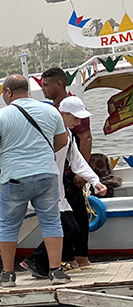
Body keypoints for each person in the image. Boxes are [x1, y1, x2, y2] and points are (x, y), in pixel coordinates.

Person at [0, 74, 69, 287]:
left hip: (15, 179)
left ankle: (8, 275)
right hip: (46, 175)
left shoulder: (0, 116)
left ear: (8, 92)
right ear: (27, 89)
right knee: (51, 222)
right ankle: (56, 271)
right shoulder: (50, 111)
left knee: (9, 226)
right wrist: (41, 156)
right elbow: (62, 141)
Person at [21, 96, 108, 277]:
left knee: (71, 229)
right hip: (45, 189)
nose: (78, 122)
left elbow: (77, 161)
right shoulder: (48, 133)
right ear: (62, 113)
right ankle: (36, 260)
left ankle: (39, 264)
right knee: (68, 228)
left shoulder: (67, 135)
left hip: (57, 190)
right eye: (75, 117)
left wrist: (95, 181)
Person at [41, 66, 94, 267]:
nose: (43, 89)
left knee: (74, 214)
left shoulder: (72, 107)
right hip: (56, 170)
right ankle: (70, 257)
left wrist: (81, 171)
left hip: (69, 171)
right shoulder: (50, 110)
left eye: (46, 85)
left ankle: (79, 255)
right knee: (68, 215)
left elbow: (85, 137)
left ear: (59, 84)